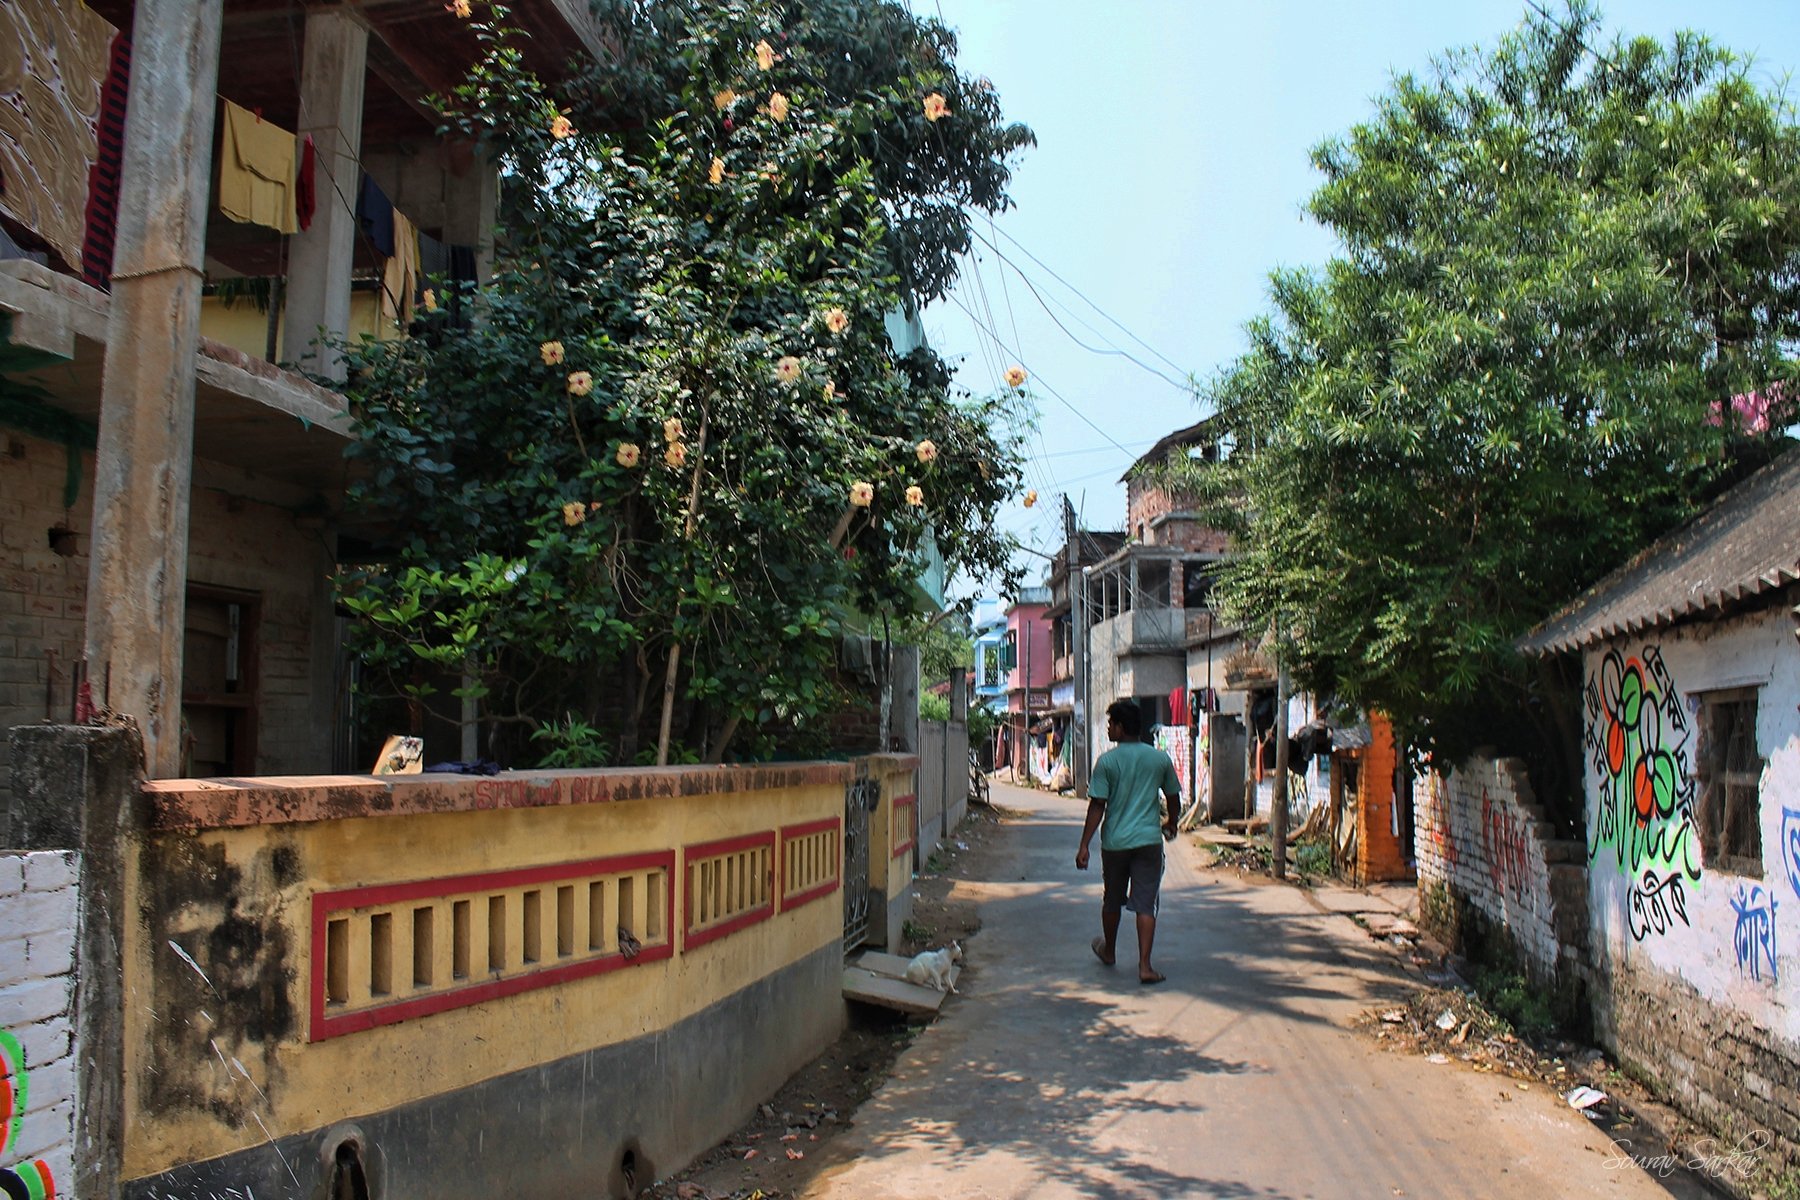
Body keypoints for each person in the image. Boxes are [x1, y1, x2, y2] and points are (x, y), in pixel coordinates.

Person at [1075, 698, 1181, 984]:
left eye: (1111, 723)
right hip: (1148, 842)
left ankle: (1109, 951)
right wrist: (1172, 823)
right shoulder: (1159, 759)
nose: (1109, 728)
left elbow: (1097, 805)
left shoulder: (1107, 762)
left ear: (1121, 728)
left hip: (1115, 844)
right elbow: (1173, 797)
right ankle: (1145, 966)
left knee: (1112, 899)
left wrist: (1085, 844)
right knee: (1146, 903)